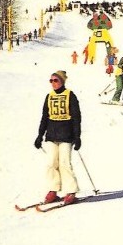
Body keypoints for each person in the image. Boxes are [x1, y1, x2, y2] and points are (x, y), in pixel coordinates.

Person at [34, 70, 81, 205]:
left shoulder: (70, 95)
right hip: (52, 134)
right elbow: (44, 117)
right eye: (51, 80)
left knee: (64, 163)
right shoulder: (49, 96)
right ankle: (53, 190)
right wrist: (39, 135)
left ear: (62, 81)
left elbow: (76, 118)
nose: (53, 83)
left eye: (56, 80)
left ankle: (71, 191)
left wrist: (77, 136)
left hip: (66, 134)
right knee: (51, 163)